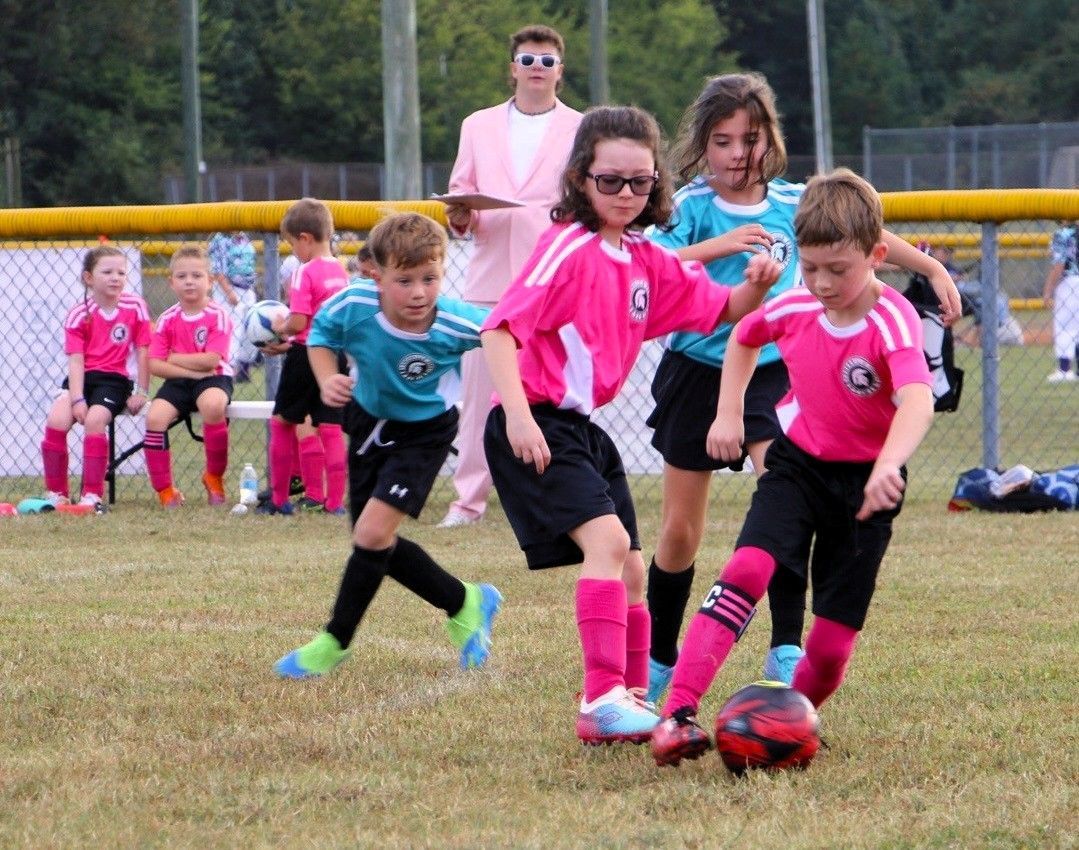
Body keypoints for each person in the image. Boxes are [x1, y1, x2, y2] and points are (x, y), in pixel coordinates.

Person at [642, 74, 962, 704]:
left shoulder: (795, 200)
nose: (739, 153)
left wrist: (926, 265)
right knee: (680, 531)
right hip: (697, 371)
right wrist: (720, 247)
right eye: (724, 140)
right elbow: (651, 264)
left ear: (772, 141)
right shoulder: (688, 210)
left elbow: (861, 235)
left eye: (751, 139)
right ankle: (659, 662)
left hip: (774, 370)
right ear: (702, 147)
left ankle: (785, 647)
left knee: (781, 501)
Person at [481, 105, 781, 745]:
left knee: (634, 570)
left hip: (581, 428)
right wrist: (516, 416)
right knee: (609, 546)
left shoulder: (645, 256)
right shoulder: (569, 246)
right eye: (608, 180)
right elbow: (501, 330)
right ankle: (600, 703)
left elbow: (721, 309)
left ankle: (633, 696)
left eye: (639, 182)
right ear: (580, 179)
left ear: (655, 185)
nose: (624, 193)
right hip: (536, 420)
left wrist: (757, 287)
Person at [650, 168, 936, 766]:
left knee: (830, 648)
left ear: (878, 256)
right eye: (810, 268)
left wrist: (889, 464)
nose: (822, 284)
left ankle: (783, 723)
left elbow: (917, 398)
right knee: (748, 568)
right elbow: (744, 336)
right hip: (797, 465)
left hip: (866, 489)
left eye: (839, 269)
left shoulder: (893, 321)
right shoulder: (798, 303)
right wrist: (728, 412)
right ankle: (676, 714)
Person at [273, 212, 502, 678]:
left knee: (372, 536)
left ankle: (334, 642)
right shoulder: (354, 303)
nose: (418, 292)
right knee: (372, 540)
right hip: (368, 421)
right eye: (404, 280)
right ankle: (467, 601)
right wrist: (326, 377)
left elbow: (507, 331)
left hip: (424, 433)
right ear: (376, 274)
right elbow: (320, 335)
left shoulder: (458, 323)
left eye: (429, 278)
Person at [437, 24, 583, 529]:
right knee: (478, 394)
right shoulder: (476, 125)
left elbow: (589, 197)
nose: (537, 69)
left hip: (555, 278)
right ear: (513, 67)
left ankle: (558, 494)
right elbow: (462, 194)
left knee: (557, 393)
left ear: (560, 71)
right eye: (528, 60)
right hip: (491, 275)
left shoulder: (582, 128)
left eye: (547, 61)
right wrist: (459, 215)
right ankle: (468, 501)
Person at [40, 246, 152, 513]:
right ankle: (57, 494)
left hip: (114, 381)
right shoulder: (79, 313)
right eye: (107, 272)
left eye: (121, 272)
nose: (116, 277)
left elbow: (143, 350)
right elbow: (76, 361)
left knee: (95, 419)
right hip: (83, 381)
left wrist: (142, 391)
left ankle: (92, 495)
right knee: (56, 419)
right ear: (88, 278)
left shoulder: (135, 307)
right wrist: (77, 398)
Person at [258, 198, 349, 516]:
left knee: (282, 421)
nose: (293, 251)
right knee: (331, 428)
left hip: (304, 356)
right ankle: (335, 503)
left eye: (291, 244)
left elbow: (298, 321)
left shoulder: (304, 272)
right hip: (334, 356)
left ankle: (279, 500)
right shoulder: (341, 271)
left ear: (305, 238)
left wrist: (279, 328)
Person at [143, 244, 233, 508]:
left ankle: (214, 477)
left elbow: (211, 361)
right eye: (182, 277)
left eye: (196, 276)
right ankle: (166, 490)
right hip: (181, 381)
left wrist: (174, 357)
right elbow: (155, 365)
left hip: (214, 378)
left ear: (210, 281)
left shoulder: (218, 315)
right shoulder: (168, 318)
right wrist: (188, 371)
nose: (189, 282)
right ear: (171, 283)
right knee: (155, 417)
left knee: (213, 405)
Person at [208, 230, 260, 382]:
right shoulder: (220, 239)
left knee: (250, 327)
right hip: (229, 288)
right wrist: (229, 292)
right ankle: (228, 368)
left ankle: (244, 368)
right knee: (233, 328)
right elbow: (218, 269)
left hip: (247, 288)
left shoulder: (245, 237)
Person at [1043, 222, 1078, 383]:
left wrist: (1048, 290)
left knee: (1065, 325)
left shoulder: (1063, 234)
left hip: (1069, 281)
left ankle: (1065, 370)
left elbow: (1059, 264)